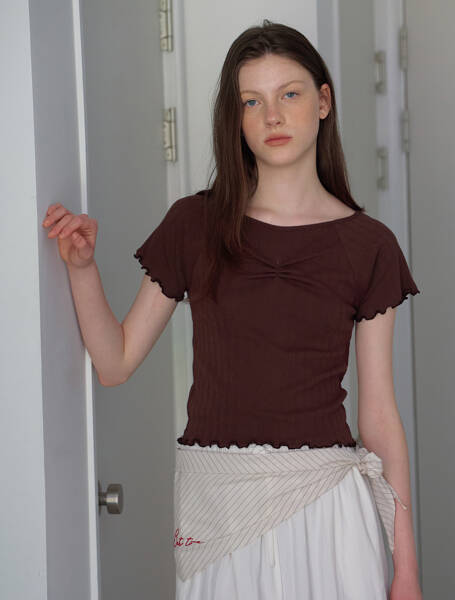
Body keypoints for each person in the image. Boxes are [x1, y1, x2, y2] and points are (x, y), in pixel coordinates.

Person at [42, 19, 423, 600]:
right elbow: (114, 362)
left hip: (328, 512)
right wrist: (81, 268)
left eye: (289, 94)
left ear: (323, 102)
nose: (272, 116)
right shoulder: (194, 225)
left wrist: (406, 571)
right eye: (252, 101)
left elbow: (379, 418)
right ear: (236, 118)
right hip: (216, 510)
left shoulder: (369, 245)